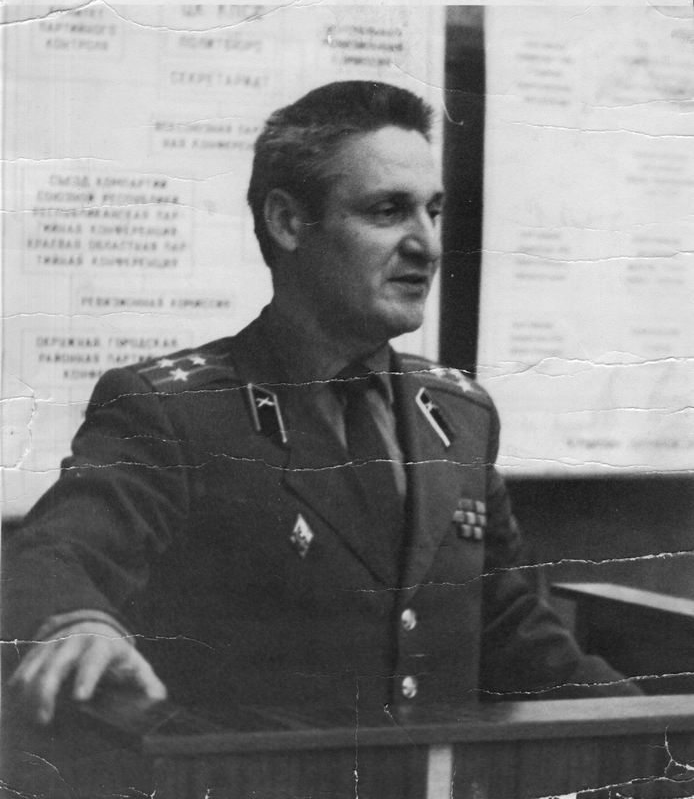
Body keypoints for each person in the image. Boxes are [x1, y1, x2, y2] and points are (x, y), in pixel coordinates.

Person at [3, 81, 638, 727]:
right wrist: (78, 624)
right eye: (388, 211)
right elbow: (56, 555)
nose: (428, 245)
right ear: (288, 222)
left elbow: (511, 630)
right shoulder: (176, 412)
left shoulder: (459, 416)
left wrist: (661, 734)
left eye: (433, 212)